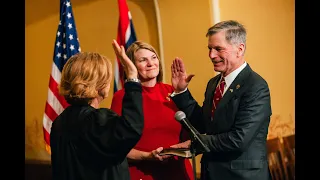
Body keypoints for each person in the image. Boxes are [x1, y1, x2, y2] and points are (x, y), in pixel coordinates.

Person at [170, 20, 272, 180]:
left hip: (241, 175)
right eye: (210, 49)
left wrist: (196, 143)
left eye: (218, 49)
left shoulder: (256, 86)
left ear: (240, 49)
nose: (211, 55)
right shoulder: (213, 83)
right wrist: (181, 91)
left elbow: (239, 139)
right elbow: (203, 124)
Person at [50, 40, 144, 180]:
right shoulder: (96, 120)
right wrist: (132, 77)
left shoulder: (59, 121)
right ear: (98, 83)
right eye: (107, 77)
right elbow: (131, 129)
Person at [110, 41, 194, 180]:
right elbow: (117, 147)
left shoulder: (173, 92)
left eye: (153, 57)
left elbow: (194, 135)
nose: (150, 63)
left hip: (178, 172)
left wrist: (174, 150)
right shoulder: (123, 97)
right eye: (143, 60)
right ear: (131, 65)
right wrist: (148, 156)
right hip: (142, 173)